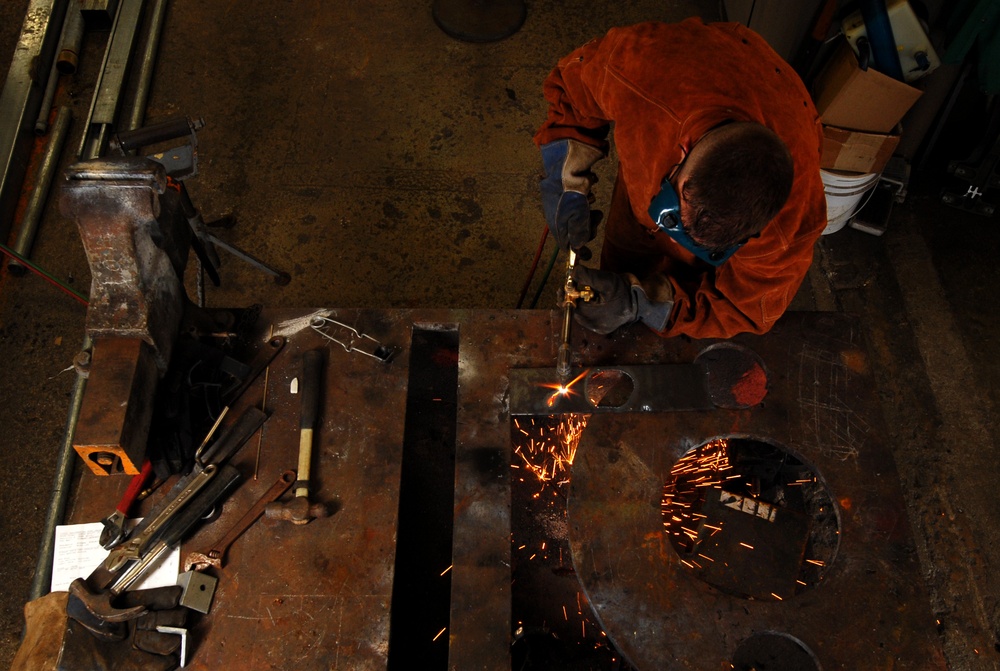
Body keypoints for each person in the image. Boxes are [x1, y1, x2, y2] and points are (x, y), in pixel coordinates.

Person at [535, 17, 827, 339]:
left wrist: (646, 306)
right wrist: (567, 180)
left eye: (708, 250)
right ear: (681, 156)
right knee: (622, 263)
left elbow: (743, 306)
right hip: (685, 83)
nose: (669, 239)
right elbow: (573, 90)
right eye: (669, 215)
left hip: (778, 111)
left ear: (755, 232)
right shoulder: (644, 69)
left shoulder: (791, 221)